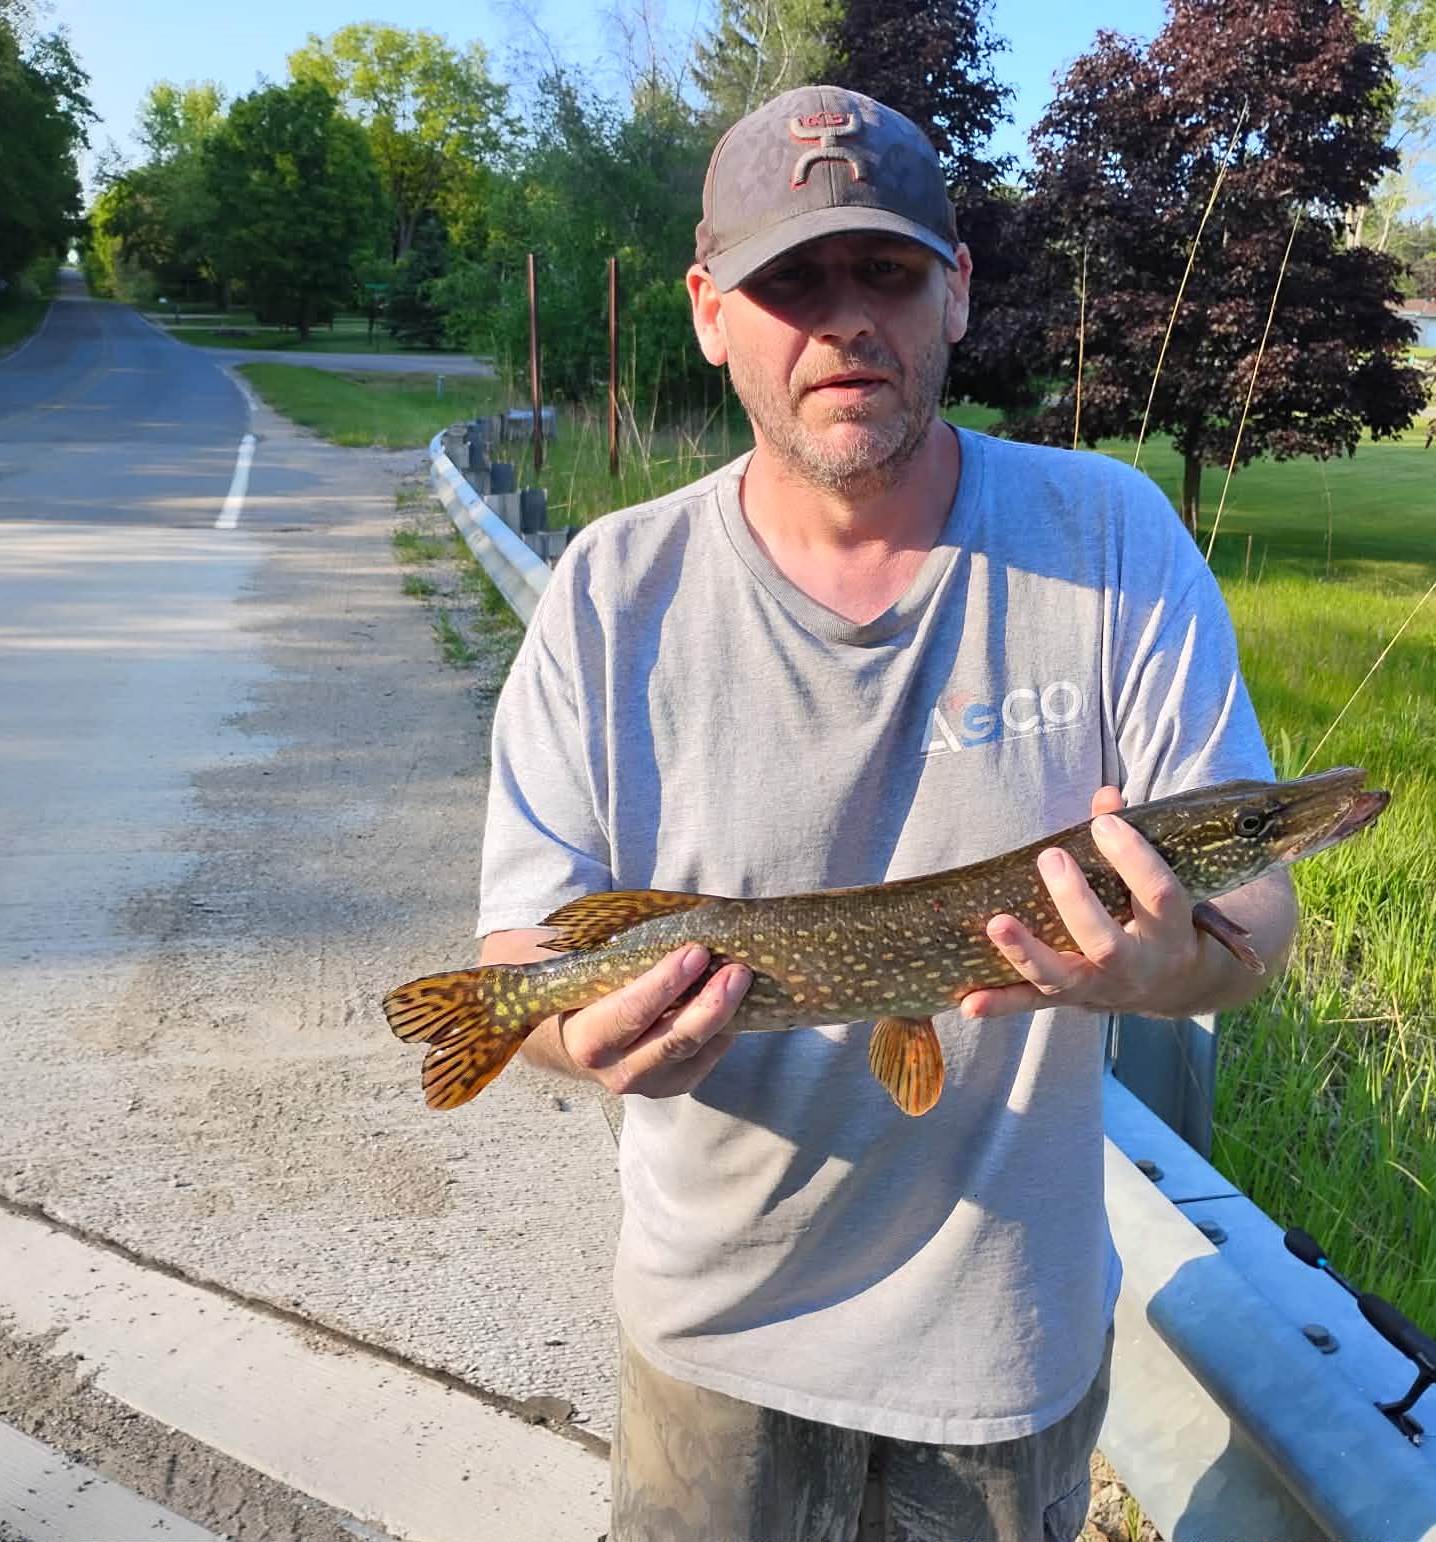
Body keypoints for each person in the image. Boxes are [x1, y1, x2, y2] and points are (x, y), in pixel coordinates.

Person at [474, 84, 1297, 1542]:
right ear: (710, 312)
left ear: (957, 291)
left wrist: (1173, 968)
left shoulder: (1111, 538)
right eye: (790, 282)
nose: (845, 319)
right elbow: (520, 960)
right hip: (712, 1337)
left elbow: (1257, 916)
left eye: (886, 272)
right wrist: (569, 1034)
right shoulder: (609, 593)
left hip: (1004, 1347)